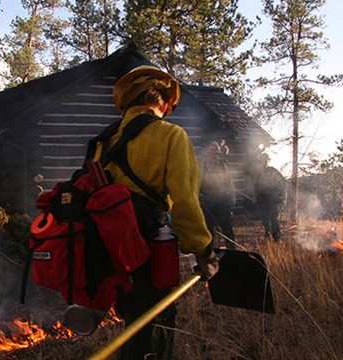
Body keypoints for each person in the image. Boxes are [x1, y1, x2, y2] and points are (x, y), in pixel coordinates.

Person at [91, 65, 218, 359]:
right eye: (169, 104)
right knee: (155, 328)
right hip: (149, 255)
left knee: (133, 324)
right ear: (159, 98)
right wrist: (203, 250)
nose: (168, 110)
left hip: (109, 255)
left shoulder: (103, 142)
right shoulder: (171, 135)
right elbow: (185, 201)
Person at [201, 141, 237, 245]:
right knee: (208, 227)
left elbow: (230, 182)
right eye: (211, 154)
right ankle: (210, 252)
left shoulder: (223, 166)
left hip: (222, 199)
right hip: (207, 200)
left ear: (218, 154)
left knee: (226, 226)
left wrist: (232, 196)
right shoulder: (203, 167)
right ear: (208, 154)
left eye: (215, 154)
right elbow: (197, 183)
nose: (213, 156)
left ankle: (231, 249)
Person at [253, 153, 286, 241]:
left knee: (273, 218)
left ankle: (277, 237)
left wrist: (278, 194)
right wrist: (255, 197)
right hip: (262, 198)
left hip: (272, 198)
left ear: (268, 161)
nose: (264, 162)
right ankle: (267, 234)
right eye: (262, 160)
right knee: (265, 218)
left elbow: (282, 182)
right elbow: (256, 186)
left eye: (266, 160)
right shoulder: (258, 173)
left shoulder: (273, 171)